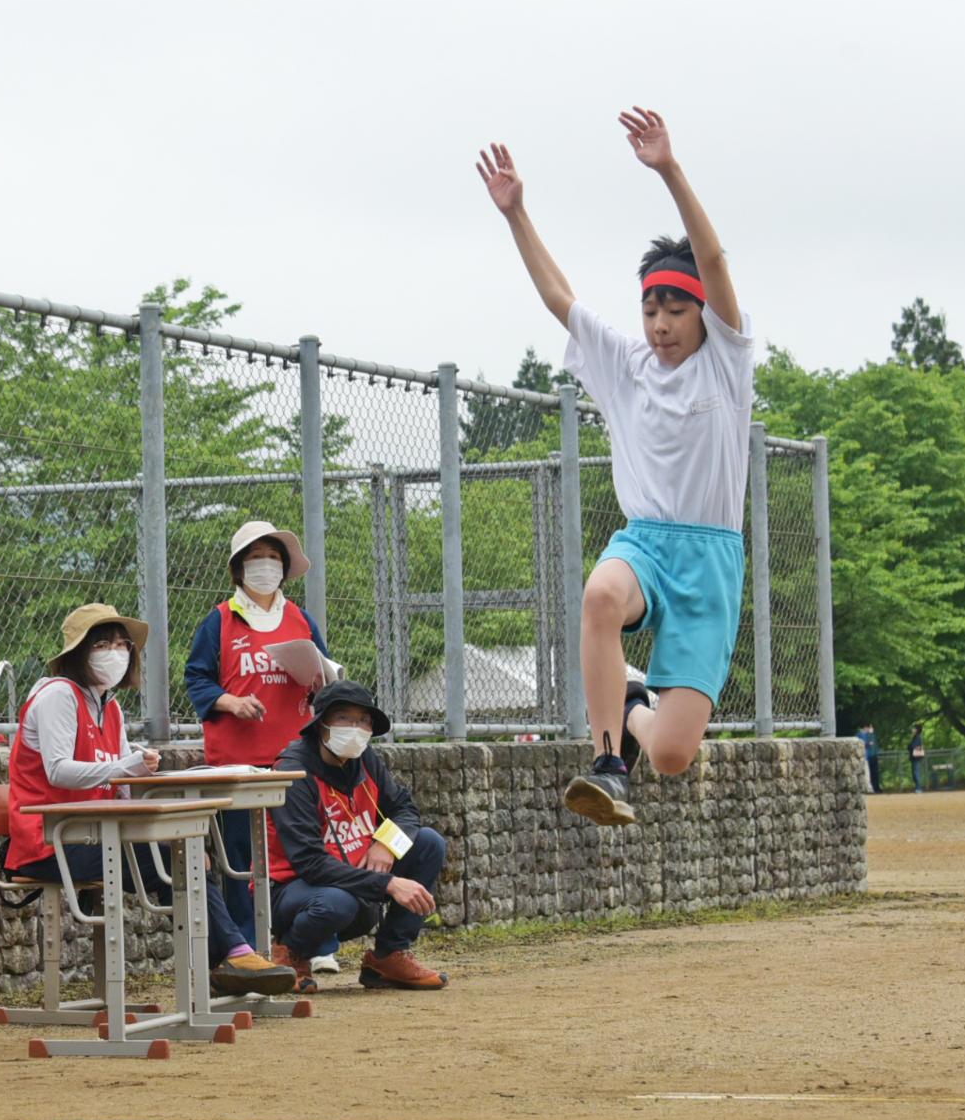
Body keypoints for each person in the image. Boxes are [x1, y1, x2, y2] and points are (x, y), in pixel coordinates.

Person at [479, 109, 752, 825]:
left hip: (711, 561)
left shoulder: (726, 362)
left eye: (674, 310)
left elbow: (715, 264)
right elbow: (558, 298)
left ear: (701, 315)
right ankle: (606, 764)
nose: (660, 325)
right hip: (646, 542)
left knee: (671, 753)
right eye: (650, 308)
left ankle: (632, 711)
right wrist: (517, 215)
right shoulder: (627, 364)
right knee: (600, 596)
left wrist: (668, 169)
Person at [4, 603, 294, 997]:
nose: (116, 653)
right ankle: (231, 957)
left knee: (189, 849)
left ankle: (229, 960)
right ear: (78, 653)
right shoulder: (58, 696)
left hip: (93, 835)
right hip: (48, 842)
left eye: (123, 645)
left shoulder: (111, 707)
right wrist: (125, 767)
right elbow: (58, 770)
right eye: (103, 644)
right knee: (176, 855)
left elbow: (123, 783)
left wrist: (143, 775)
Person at [185, 520, 338, 969]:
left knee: (304, 850)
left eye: (273, 558)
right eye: (255, 559)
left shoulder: (301, 619)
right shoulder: (219, 620)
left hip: (294, 759)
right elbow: (196, 677)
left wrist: (319, 686)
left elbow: (324, 676)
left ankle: (312, 944)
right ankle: (245, 948)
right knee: (239, 859)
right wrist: (229, 701)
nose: (265, 567)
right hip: (237, 762)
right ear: (238, 568)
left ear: (285, 568)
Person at [264, 681, 449, 993]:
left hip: (359, 874)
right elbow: (311, 864)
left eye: (363, 720)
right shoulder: (293, 773)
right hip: (298, 890)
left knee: (429, 843)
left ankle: (388, 956)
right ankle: (290, 954)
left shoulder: (365, 759)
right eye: (344, 718)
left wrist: (386, 844)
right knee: (336, 903)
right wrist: (388, 883)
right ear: (320, 723)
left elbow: (404, 809)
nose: (356, 728)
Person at [858, 722, 881, 793]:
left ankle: (875, 788)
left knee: (873, 773)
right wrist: (870, 734)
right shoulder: (862, 735)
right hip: (866, 757)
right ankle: (869, 788)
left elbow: (874, 745)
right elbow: (867, 743)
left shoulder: (870, 735)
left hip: (871, 757)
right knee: (867, 774)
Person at [908, 723, 928, 793]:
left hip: (916, 757)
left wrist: (910, 746)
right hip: (914, 758)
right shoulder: (915, 737)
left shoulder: (917, 737)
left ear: (917, 730)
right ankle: (917, 787)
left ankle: (918, 788)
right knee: (915, 773)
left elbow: (912, 746)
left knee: (916, 773)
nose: (912, 730)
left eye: (914, 728)